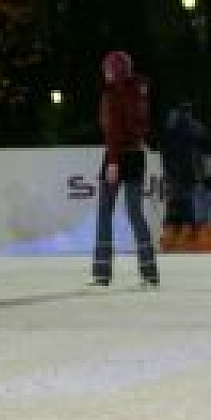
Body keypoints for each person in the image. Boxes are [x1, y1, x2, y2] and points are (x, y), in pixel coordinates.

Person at [91, 50, 159, 287]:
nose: (105, 73)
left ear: (116, 70)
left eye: (108, 68)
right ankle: (150, 272)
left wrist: (112, 161)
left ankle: (102, 273)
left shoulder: (112, 93)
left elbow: (112, 129)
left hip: (117, 155)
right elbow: (144, 125)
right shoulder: (141, 91)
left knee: (104, 213)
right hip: (137, 154)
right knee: (135, 213)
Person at [159, 101, 210, 251]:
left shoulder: (169, 127)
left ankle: (170, 239)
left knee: (174, 204)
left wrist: (168, 169)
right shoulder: (196, 127)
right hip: (191, 173)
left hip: (173, 173)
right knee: (191, 204)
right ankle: (192, 240)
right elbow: (205, 144)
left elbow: (164, 150)